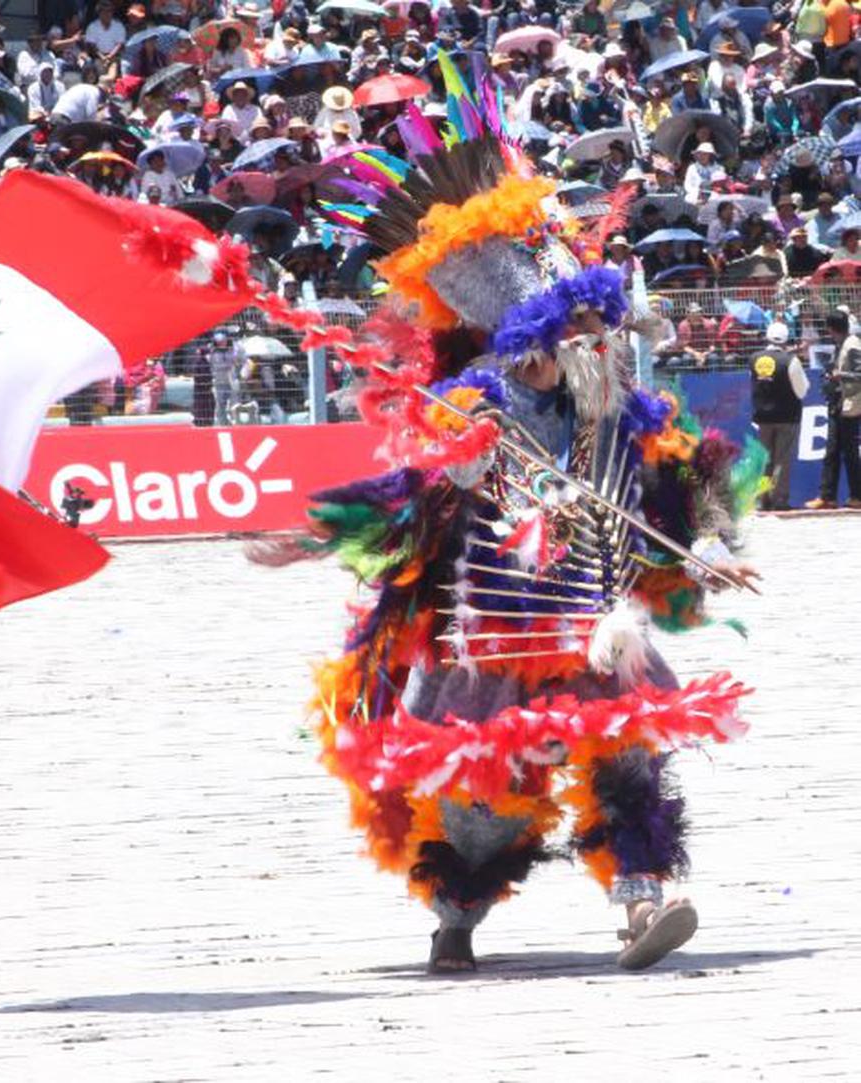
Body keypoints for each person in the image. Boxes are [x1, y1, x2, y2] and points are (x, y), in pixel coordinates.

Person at [261, 75, 764, 976]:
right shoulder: (471, 405)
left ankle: (643, 902)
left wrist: (708, 551)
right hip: (495, 638)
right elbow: (428, 487)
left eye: (595, 328)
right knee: (482, 803)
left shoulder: (618, 409)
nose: (591, 343)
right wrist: (461, 457)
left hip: (600, 627)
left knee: (633, 767)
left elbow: (679, 484)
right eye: (574, 330)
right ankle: (455, 920)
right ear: (523, 341)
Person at [750, 322, 809, 511]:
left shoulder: (754, 358)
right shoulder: (790, 360)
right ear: (785, 339)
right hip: (787, 417)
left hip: (762, 417)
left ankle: (761, 499)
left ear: (767, 337)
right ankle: (779, 500)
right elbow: (802, 390)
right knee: (781, 461)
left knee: (763, 461)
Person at [805, 311, 861, 509]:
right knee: (832, 451)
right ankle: (828, 497)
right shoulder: (842, 344)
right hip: (839, 403)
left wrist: (840, 375)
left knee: (849, 452)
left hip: (850, 405)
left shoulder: (852, 345)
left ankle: (856, 496)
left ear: (831, 328)